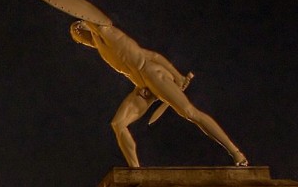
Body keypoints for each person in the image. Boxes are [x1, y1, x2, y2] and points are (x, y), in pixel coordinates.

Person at [68, 19, 248, 168]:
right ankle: (135, 172)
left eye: (79, 33)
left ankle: (236, 153)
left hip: (153, 74)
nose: (80, 39)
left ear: (87, 28)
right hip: (143, 85)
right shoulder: (102, 49)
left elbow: (151, 58)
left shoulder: (110, 34)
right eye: (78, 39)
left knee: (189, 112)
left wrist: (177, 76)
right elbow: (150, 56)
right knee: (118, 124)